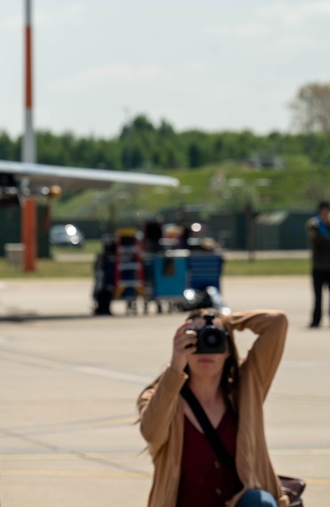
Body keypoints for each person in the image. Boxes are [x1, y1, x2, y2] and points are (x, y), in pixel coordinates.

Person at [137, 309, 290, 507]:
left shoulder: (245, 389)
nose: (205, 347)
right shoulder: (161, 397)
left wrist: (224, 323)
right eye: (195, 340)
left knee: (260, 503)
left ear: (228, 349)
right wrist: (175, 366)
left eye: (214, 338)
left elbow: (276, 322)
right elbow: (150, 432)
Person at [305, 201, 330, 328]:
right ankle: (316, 320)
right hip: (319, 266)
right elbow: (316, 243)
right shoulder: (314, 224)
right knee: (318, 296)